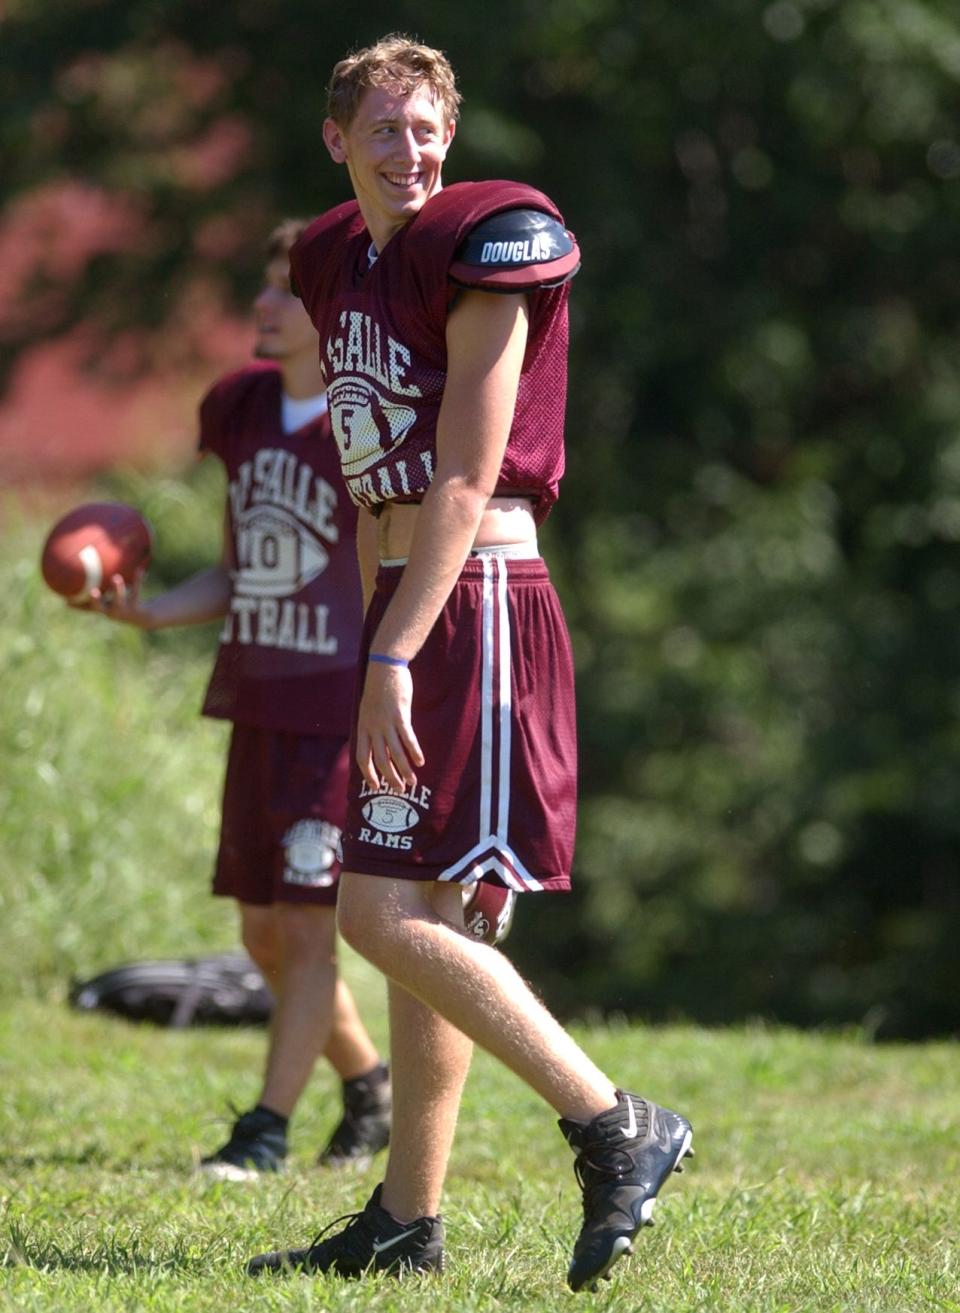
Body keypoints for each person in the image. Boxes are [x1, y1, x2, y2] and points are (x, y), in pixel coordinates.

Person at [245, 36, 693, 1292]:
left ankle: (613, 1120)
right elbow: (363, 451)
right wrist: (376, 617)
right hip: (405, 594)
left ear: (456, 131)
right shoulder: (335, 254)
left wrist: (393, 646)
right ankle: (405, 1219)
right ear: (336, 139)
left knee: (382, 911)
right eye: (384, 129)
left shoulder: (491, 240)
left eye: (428, 127)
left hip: (477, 592)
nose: (411, 151)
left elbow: (463, 471)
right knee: (410, 905)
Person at [78, 220, 392, 1178]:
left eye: (284, 291)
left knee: (305, 929)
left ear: (334, 316)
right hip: (255, 696)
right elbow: (236, 569)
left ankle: (264, 1129)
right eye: (262, 287)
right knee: (262, 931)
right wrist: (148, 615)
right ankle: (369, 1083)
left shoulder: (367, 421)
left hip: (333, 707)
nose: (263, 305)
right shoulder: (241, 408)